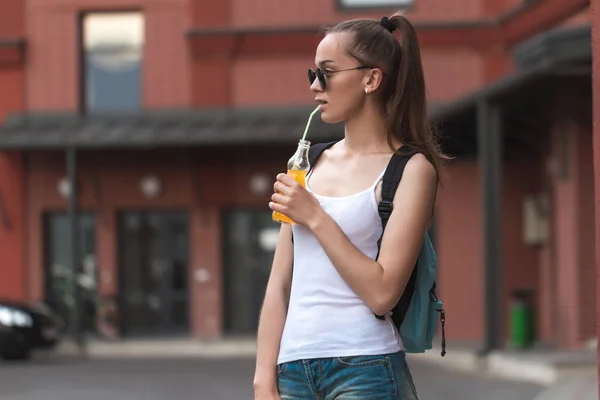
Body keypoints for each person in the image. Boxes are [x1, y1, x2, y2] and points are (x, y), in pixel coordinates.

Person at [254, 11, 447, 400]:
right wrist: (263, 378)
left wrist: (314, 216)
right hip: (292, 370)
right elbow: (280, 283)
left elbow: (381, 293)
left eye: (326, 72)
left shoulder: (411, 170)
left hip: (367, 368)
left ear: (371, 79)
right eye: (312, 74)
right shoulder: (307, 164)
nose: (314, 86)